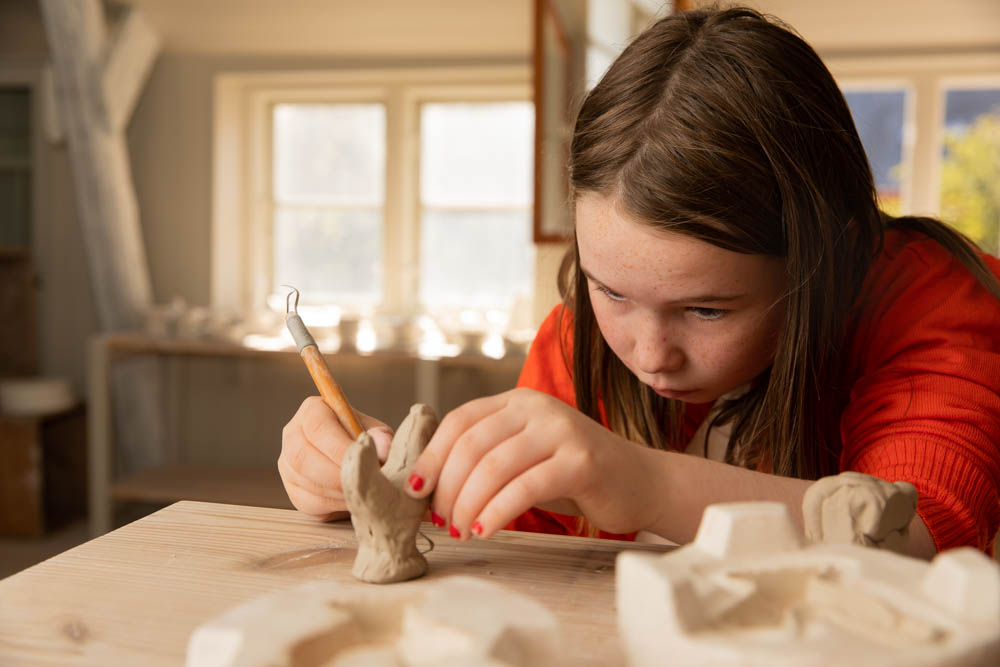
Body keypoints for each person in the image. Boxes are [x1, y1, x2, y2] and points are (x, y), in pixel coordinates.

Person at [278, 6, 1000, 559]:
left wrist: (642, 483)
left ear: (829, 257)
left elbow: (918, 536)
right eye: (612, 290)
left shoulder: (930, 302)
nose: (651, 352)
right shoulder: (581, 338)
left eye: (707, 309)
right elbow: (507, 546)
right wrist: (370, 488)